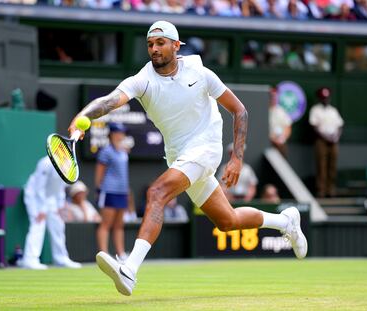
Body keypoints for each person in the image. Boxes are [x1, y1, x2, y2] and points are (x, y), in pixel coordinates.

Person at [68, 20, 307, 296]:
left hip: (206, 148)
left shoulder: (200, 71)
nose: (154, 49)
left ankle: (130, 270)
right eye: (149, 44)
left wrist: (237, 159)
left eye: (160, 43)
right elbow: (110, 101)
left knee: (157, 192)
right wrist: (82, 116)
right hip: (180, 156)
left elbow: (240, 111)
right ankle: (285, 221)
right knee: (227, 221)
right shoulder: (142, 80)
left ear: (175, 45)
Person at [19, 156, 82, 270]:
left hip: (51, 198)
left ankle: (61, 259)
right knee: (38, 225)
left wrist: (60, 206)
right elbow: (39, 187)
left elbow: (61, 187)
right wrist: (42, 209)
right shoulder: (45, 163)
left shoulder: (69, 164)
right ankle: (30, 259)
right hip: (34, 197)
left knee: (58, 226)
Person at [95, 122, 130, 262]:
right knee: (106, 224)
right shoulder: (106, 152)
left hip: (122, 192)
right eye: (119, 132)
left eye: (122, 132)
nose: (121, 135)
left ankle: (120, 254)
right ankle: (104, 254)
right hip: (109, 191)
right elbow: (99, 173)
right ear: (112, 134)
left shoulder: (124, 152)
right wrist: (99, 189)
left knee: (119, 225)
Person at [309, 87, 344, 198]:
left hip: (334, 141)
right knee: (321, 165)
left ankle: (331, 189)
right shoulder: (315, 110)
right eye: (323, 98)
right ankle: (321, 190)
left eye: (327, 98)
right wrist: (326, 137)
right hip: (321, 141)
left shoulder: (333, 110)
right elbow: (314, 127)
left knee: (332, 165)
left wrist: (336, 136)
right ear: (320, 98)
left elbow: (340, 125)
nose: (326, 100)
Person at [269, 86, 292, 158]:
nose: (274, 98)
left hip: (281, 143)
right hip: (268, 143)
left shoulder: (281, 111)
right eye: (272, 96)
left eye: (275, 96)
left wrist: (282, 138)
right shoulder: (263, 110)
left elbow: (288, 127)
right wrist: (272, 139)